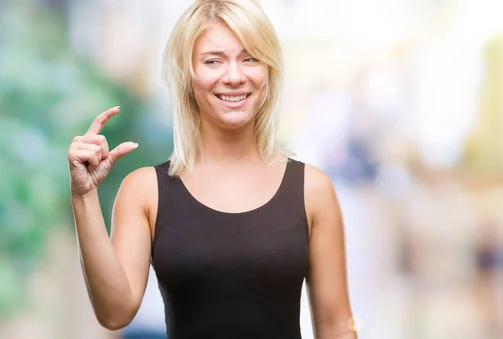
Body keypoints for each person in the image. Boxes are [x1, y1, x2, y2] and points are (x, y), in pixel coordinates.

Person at [67, 1, 356, 338]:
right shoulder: (145, 192)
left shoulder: (312, 190)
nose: (234, 76)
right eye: (213, 61)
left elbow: (336, 325)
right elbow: (115, 313)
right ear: (187, 76)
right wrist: (84, 196)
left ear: (268, 72)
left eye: (250, 58)